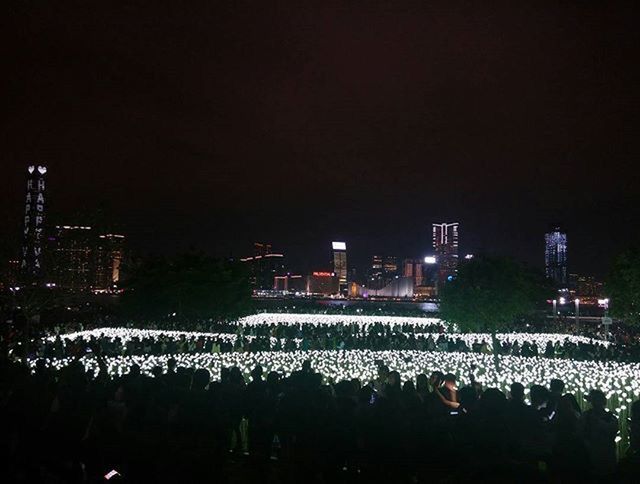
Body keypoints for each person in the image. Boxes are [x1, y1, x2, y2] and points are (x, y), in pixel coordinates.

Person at [581, 389, 618, 478]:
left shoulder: (610, 418)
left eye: (596, 400)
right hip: (592, 454)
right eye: (593, 401)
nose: (595, 403)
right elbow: (581, 433)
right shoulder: (586, 416)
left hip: (605, 454)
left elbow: (612, 431)